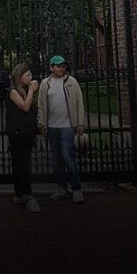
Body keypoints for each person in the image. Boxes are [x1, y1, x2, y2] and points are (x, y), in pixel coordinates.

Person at [36, 55, 86, 204]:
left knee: (67, 156)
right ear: (51, 68)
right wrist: (42, 123)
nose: (62, 69)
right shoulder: (45, 83)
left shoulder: (72, 82)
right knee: (57, 160)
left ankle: (76, 188)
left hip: (67, 126)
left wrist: (80, 123)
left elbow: (79, 103)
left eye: (63, 66)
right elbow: (41, 105)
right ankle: (61, 188)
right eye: (58, 66)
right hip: (52, 127)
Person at [5, 63, 40, 213]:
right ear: (19, 77)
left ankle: (21, 193)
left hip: (27, 132)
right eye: (27, 75)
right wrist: (31, 90)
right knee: (21, 164)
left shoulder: (25, 91)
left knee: (23, 163)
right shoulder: (13, 91)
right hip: (17, 133)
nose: (30, 78)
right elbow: (25, 107)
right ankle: (25, 194)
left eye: (30, 75)